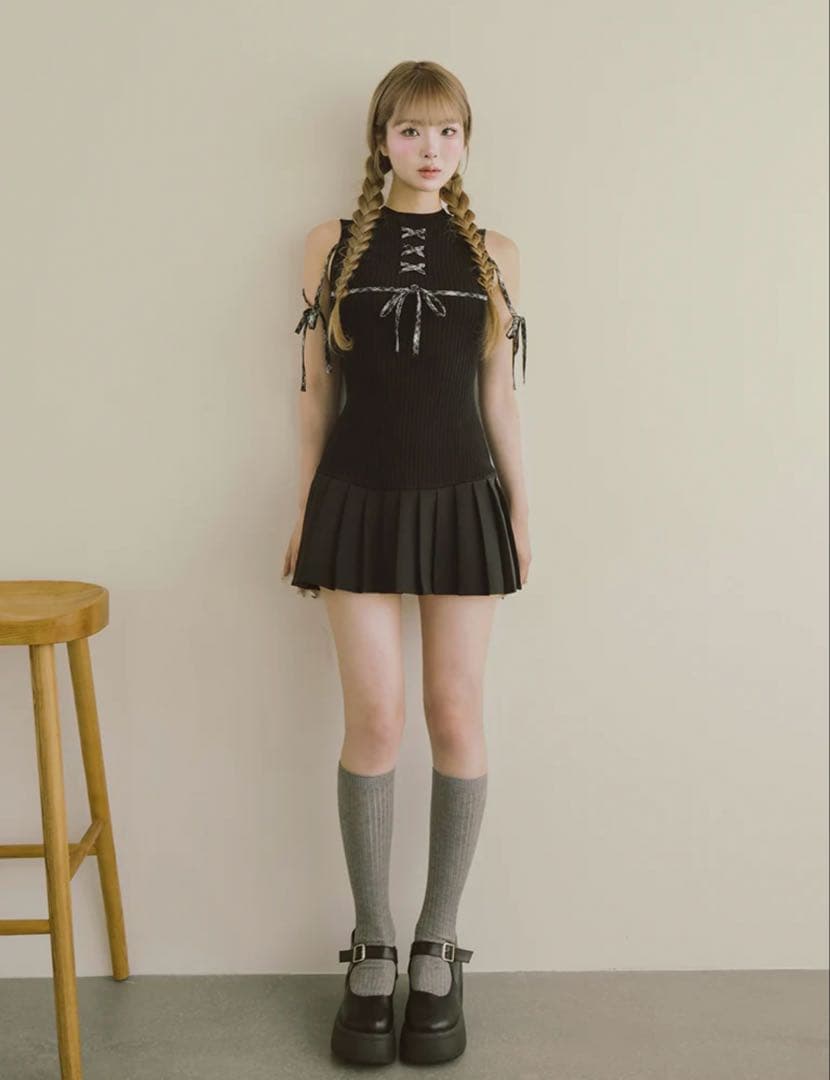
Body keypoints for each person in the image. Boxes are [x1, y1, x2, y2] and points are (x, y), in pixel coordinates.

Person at [281, 59, 531, 1066]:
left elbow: (499, 397)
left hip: (463, 498)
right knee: (376, 718)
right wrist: (303, 508)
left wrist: (521, 512)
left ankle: (438, 945)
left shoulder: (497, 251)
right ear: (380, 139)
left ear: (465, 142)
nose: (431, 149)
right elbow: (314, 394)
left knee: (454, 713)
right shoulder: (329, 243)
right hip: (355, 498)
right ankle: (374, 944)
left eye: (448, 132)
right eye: (412, 130)